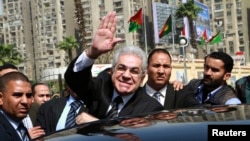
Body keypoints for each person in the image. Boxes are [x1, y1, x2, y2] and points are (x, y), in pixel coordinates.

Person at [64, 11, 164, 120]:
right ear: (112, 71)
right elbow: (74, 79)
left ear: (142, 78)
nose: (126, 75)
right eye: (121, 68)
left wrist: (97, 124)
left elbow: (135, 136)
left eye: (134, 71)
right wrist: (93, 52)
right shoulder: (100, 89)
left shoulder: (152, 108)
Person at [177, 52, 241, 107]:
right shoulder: (193, 85)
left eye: (215, 70)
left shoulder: (230, 102)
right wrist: (176, 85)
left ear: (226, 76)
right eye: (206, 67)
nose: (208, 73)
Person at [0, 63, 44, 139]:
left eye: (29, 95)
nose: (25, 101)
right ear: (1, 98)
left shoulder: (20, 127)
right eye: (17, 95)